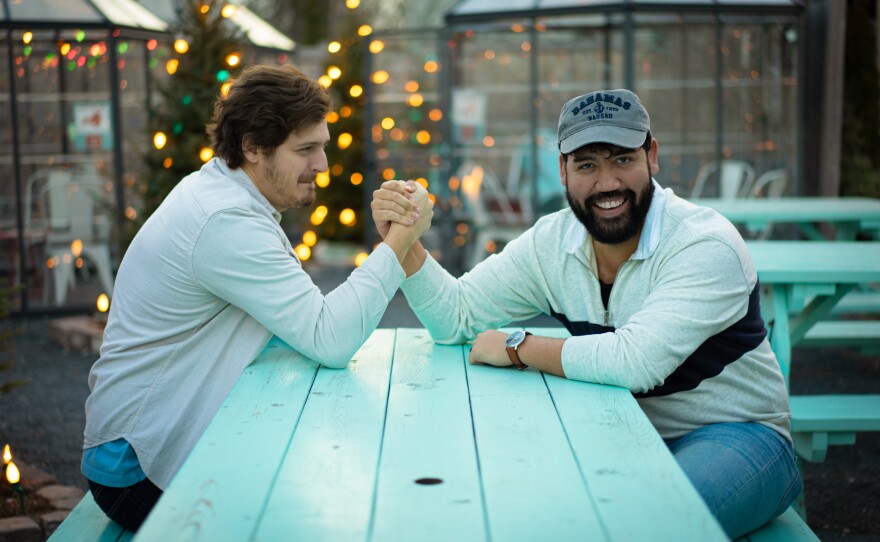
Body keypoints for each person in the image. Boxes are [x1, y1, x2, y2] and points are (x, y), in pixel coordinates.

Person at [372, 89, 800, 538]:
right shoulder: (552, 243)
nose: (607, 182)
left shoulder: (703, 243)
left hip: (735, 435)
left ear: (651, 156)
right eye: (587, 164)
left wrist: (520, 347)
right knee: (510, 505)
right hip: (612, 430)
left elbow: (636, 362)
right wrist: (404, 243)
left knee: (655, 524)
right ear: (563, 170)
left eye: (622, 160)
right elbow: (457, 316)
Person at [81, 64, 432, 532]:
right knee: (319, 513)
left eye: (322, 147)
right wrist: (399, 243)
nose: (323, 166)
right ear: (251, 146)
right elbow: (329, 338)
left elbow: (308, 325)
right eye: (305, 149)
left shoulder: (229, 196)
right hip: (138, 465)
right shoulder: (225, 219)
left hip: (147, 443)